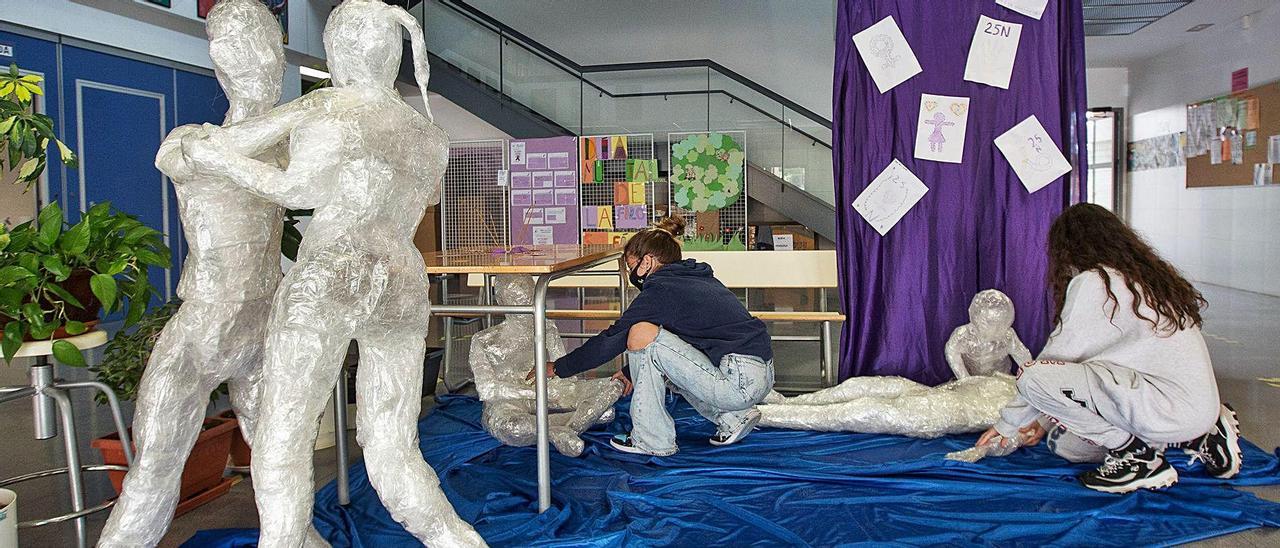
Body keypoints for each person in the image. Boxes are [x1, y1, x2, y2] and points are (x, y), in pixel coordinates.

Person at [180, 0, 484, 545]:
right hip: (401, 278)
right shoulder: (428, 134)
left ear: (338, 50)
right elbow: (425, 195)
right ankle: (453, 540)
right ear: (390, 55)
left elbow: (294, 189)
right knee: (393, 445)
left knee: (283, 434)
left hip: (331, 273)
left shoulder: (328, 109)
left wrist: (218, 159)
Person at [98, 1, 285, 544]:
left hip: (263, 325)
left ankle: (292, 536)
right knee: (155, 468)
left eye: (259, 47)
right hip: (205, 323)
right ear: (221, 60)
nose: (248, 60)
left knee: (276, 462)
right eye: (233, 46)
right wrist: (297, 114)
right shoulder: (190, 141)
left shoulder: (286, 144)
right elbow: (205, 155)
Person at [977, 203, 1241, 494]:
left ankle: (1136, 456)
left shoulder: (1096, 282)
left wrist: (1007, 424)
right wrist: (1042, 419)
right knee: (1064, 445)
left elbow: (1053, 363)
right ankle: (1200, 436)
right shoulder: (1146, 277)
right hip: (1190, 407)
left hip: (1168, 406)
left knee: (1031, 377)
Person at [532, 216, 774, 456]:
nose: (631, 273)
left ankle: (652, 439)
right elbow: (683, 344)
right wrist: (629, 372)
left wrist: (558, 368)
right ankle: (733, 418)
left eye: (631, 265)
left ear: (647, 261)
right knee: (652, 342)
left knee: (640, 331)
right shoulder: (694, 280)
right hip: (757, 373)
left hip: (737, 382)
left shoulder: (662, 289)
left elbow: (613, 338)